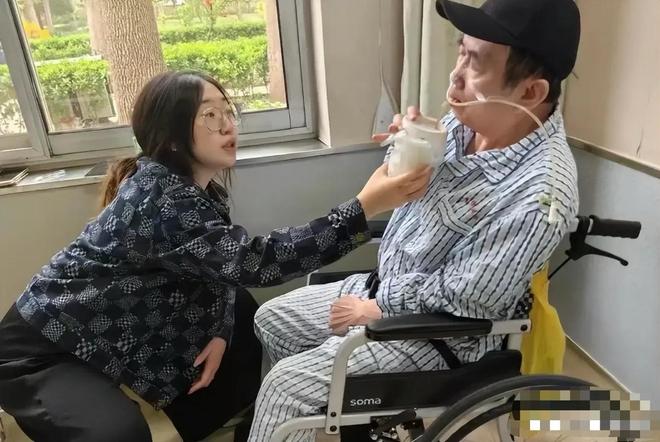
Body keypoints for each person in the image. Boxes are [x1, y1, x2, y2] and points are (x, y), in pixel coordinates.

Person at [0, 70, 432, 442]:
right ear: (171, 137)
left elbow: (222, 266)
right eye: (210, 115)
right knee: (119, 433)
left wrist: (220, 332)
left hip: (109, 328)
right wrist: (363, 208)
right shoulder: (162, 201)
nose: (227, 125)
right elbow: (256, 262)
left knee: (240, 318)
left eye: (228, 112)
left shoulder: (194, 189)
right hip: (41, 350)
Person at [248, 0, 582, 440]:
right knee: (271, 318)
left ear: (530, 92)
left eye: (476, 63)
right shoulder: (467, 123)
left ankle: (301, 411)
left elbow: (468, 297)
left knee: (285, 389)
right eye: (460, 52)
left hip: (439, 337)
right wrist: (408, 145)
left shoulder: (540, 196)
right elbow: (410, 192)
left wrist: (376, 308)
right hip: (386, 287)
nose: (455, 75)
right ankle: (318, 420)